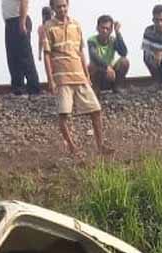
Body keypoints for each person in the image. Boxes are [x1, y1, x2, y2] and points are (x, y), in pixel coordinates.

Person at [44, 0, 110, 158]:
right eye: (59, 6)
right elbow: (47, 55)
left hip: (79, 76)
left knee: (96, 110)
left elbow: (80, 51)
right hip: (62, 78)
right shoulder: (48, 27)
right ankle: (73, 148)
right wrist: (50, 79)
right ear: (53, 8)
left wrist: (86, 74)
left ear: (68, 6)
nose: (62, 9)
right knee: (64, 114)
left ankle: (100, 146)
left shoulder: (76, 25)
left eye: (64, 6)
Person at [3, 0, 41, 95]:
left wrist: (22, 21)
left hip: (18, 20)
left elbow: (24, 1)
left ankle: (33, 88)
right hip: (11, 22)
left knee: (25, 57)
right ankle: (17, 87)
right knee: (13, 57)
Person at [88, 15, 130, 92]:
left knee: (124, 61)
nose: (105, 31)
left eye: (107, 28)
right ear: (97, 28)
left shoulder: (112, 40)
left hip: (111, 75)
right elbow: (94, 56)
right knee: (92, 66)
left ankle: (117, 87)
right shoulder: (92, 40)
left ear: (111, 30)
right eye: (102, 28)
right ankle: (95, 89)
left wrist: (118, 33)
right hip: (99, 73)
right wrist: (107, 67)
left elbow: (123, 53)